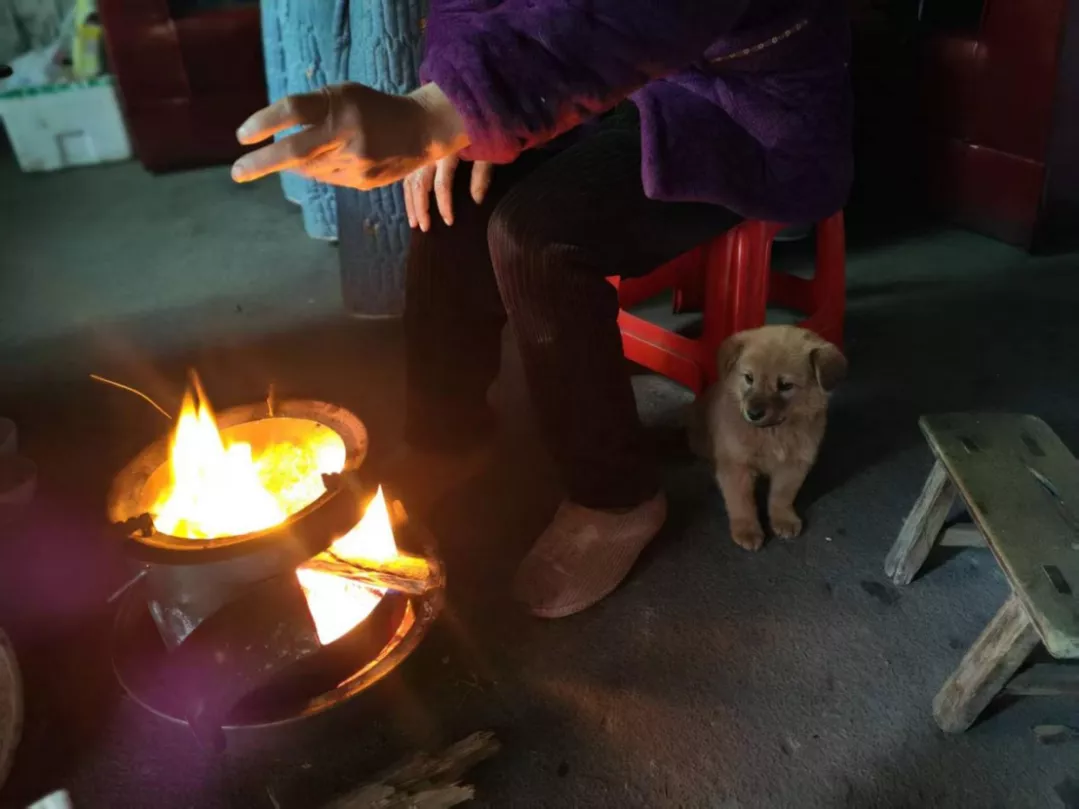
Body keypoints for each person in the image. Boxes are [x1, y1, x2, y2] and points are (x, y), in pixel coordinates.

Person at [230, 0, 853, 619]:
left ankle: (617, 497)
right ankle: (448, 438)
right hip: (595, 84)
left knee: (537, 237)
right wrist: (449, 100)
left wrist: (449, 111)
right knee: (455, 201)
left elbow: (645, 17)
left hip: (736, 106)